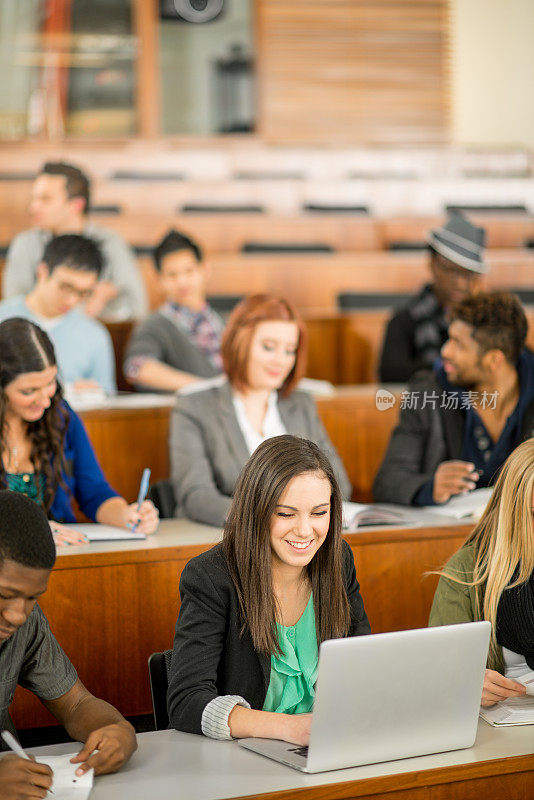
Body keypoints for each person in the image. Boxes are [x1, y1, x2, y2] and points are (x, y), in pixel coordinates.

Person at [167, 435, 370, 743]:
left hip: (332, 744)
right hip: (247, 756)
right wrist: (289, 728)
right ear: (256, 510)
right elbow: (186, 702)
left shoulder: (338, 559)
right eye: (285, 514)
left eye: (319, 513)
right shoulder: (210, 577)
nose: (305, 530)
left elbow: (364, 664)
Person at [170, 294, 351, 526]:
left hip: (301, 538)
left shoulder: (302, 404)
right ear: (239, 343)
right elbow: (196, 495)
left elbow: (339, 484)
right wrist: (267, 521)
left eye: (289, 350)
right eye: (268, 347)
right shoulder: (195, 407)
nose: (280, 360)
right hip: (228, 541)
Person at [0, 490, 137, 798]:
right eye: (5, 595)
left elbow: (75, 704)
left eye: (33, 597)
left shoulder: (26, 621)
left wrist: (119, 729)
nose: (18, 615)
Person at [0, 317, 159, 546]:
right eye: (29, 391)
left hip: (63, 555)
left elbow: (94, 492)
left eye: (50, 384)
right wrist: (33, 529)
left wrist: (126, 516)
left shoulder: (61, 416)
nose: (44, 400)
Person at [373, 291, 534, 506]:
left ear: (494, 360)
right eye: (449, 338)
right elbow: (388, 481)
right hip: (453, 534)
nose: (445, 351)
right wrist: (429, 487)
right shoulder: (427, 392)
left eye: (459, 344)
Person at [429, 438, 534, 707]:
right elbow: (437, 679)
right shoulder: (466, 572)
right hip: (496, 723)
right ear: (514, 514)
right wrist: (463, 684)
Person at [3, 161, 146, 320]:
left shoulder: (110, 243)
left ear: (76, 205)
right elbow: (16, 308)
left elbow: (136, 308)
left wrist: (99, 307)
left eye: (45, 199)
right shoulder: (26, 244)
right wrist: (87, 307)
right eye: (35, 198)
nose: (33, 207)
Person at [0, 234, 116, 394]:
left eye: (83, 293)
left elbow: (109, 399)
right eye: (66, 287)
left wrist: (95, 393)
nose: (72, 300)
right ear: (42, 271)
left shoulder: (95, 335)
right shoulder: (3, 317)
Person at [378, 214, 487, 383]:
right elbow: (391, 374)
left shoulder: (487, 320)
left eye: (468, 274)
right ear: (432, 263)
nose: (460, 282)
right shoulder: (404, 320)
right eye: (451, 270)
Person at [124, 229, 223, 392]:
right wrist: (206, 388)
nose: (182, 282)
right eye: (172, 275)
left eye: (189, 271)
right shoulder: (154, 325)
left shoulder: (220, 321)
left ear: (205, 270)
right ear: (158, 280)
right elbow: (137, 369)